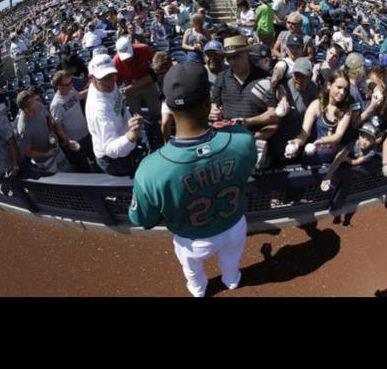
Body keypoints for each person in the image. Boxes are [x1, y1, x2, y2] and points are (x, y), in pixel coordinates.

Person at [129, 61, 257, 298]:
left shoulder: (150, 169)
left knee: (194, 275)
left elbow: (142, 218)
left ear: (167, 104)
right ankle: (231, 282)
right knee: (231, 264)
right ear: (208, 103)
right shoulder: (241, 140)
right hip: (234, 225)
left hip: (192, 241)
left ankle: (199, 291)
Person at [209, 35, 278, 167]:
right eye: (229, 58)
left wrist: (246, 122)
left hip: (257, 141)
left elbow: (273, 114)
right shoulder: (222, 78)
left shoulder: (264, 78)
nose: (232, 61)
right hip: (229, 142)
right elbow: (214, 107)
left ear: (247, 53)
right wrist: (213, 112)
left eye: (236, 56)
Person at [85, 54, 146, 177]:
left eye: (112, 75)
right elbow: (110, 149)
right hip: (114, 159)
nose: (110, 81)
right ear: (91, 79)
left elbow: (120, 106)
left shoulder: (110, 85)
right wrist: (131, 136)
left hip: (125, 140)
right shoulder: (98, 109)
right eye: (104, 78)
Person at [285, 70, 353, 166]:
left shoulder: (346, 110)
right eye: (339, 87)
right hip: (311, 161)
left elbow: (338, 136)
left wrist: (321, 141)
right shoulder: (316, 105)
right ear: (329, 85)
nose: (342, 92)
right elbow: (304, 134)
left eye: (345, 89)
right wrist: (297, 142)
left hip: (332, 164)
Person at [15, 89, 74, 174]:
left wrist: (51, 131)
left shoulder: (38, 105)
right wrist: (46, 154)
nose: (36, 102)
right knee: (57, 181)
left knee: (67, 170)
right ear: (26, 109)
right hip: (44, 160)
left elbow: (48, 117)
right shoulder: (24, 129)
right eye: (33, 102)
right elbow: (28, 152)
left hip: (55, 148)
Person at [113, 37, 161, 139]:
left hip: (147, 82)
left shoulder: (144, 49)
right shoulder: (116, 62)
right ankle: (140, 136)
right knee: (135, 113)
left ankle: (158, 129)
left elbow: (156, 69)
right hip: (130, 88)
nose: (128, 59)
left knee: (155, 109)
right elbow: (116, 83)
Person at [50, 70, 95, 172]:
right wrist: (68, 141)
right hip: (75, 140)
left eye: (71, 82)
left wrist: (94, 87)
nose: (71, 85)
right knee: (84, 167)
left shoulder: (71, 90)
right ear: (59, 86)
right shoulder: (56, 105)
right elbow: (58, 127)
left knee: (95, 158)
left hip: (87, 133)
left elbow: (79, 96)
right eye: (68, 84)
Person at [320, 121, 379, 191]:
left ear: (373, 142)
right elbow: (339, 156)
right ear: (359, 135)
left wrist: (346, 159)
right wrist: (328, 175)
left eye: (369, 139)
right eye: (362, 137)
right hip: (342, 152)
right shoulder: (354, 143)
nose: (364, 142)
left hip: (356, 161)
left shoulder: (372, 151)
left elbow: (356, 162)